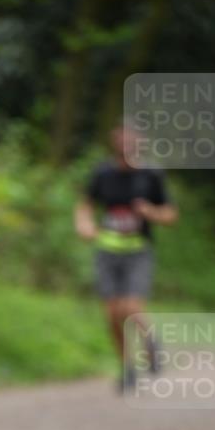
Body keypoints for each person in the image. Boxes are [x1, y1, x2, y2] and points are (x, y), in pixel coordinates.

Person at [74, 124, 177, 390]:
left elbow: (170, 214)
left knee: (130, 307)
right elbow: (85, 204)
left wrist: (150, 212)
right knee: (111, 314)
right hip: (107, 251)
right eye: (122, 144)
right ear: (115, 145)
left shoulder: (152, 175)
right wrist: (84, 224)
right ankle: (127, 367)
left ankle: (151, 343)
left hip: (138, 251)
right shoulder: (103, 173)